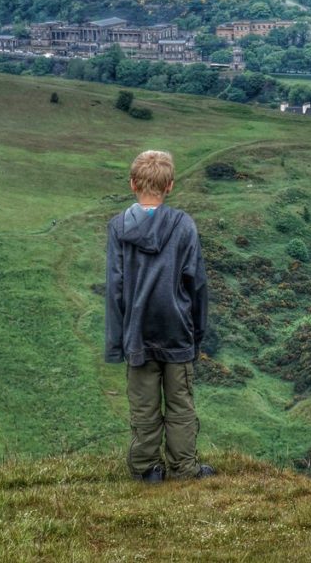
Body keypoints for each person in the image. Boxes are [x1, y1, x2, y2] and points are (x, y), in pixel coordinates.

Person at [105, 150, 215, 482]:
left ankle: (146, 469)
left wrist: (116, 343)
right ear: (169, 186)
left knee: (144, 406)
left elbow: (115, 287)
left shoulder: (118, 227)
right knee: (181, 404)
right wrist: (197, 334)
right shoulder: (184, 226)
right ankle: (184, 468)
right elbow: (197, 284)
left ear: (132, 184)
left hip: (137, 332)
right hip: (177, 329)